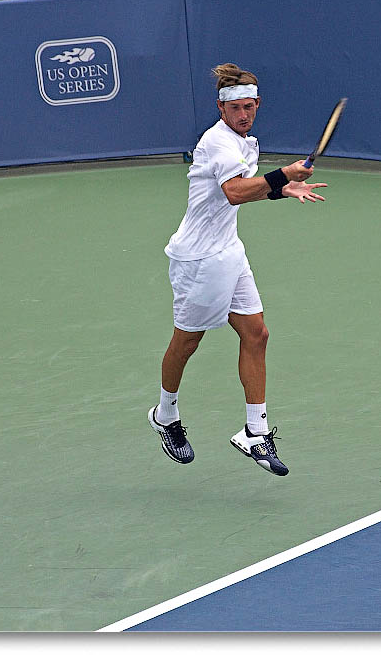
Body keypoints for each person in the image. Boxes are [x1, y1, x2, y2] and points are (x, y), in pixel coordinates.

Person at [149, 63, 327, 476]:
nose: (244, 115)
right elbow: (232, 193)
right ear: (221, 109)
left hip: (229, 250)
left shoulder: (248, 143)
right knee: (187, 342)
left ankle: (254, 431)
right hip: (198, 260)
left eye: (250, 107)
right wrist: (283, 175)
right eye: (236, 109)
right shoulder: (218, 143)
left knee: (257, 333)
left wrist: (282, 190)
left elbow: (247, 193)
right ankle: (165, 413)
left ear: (257, 105)